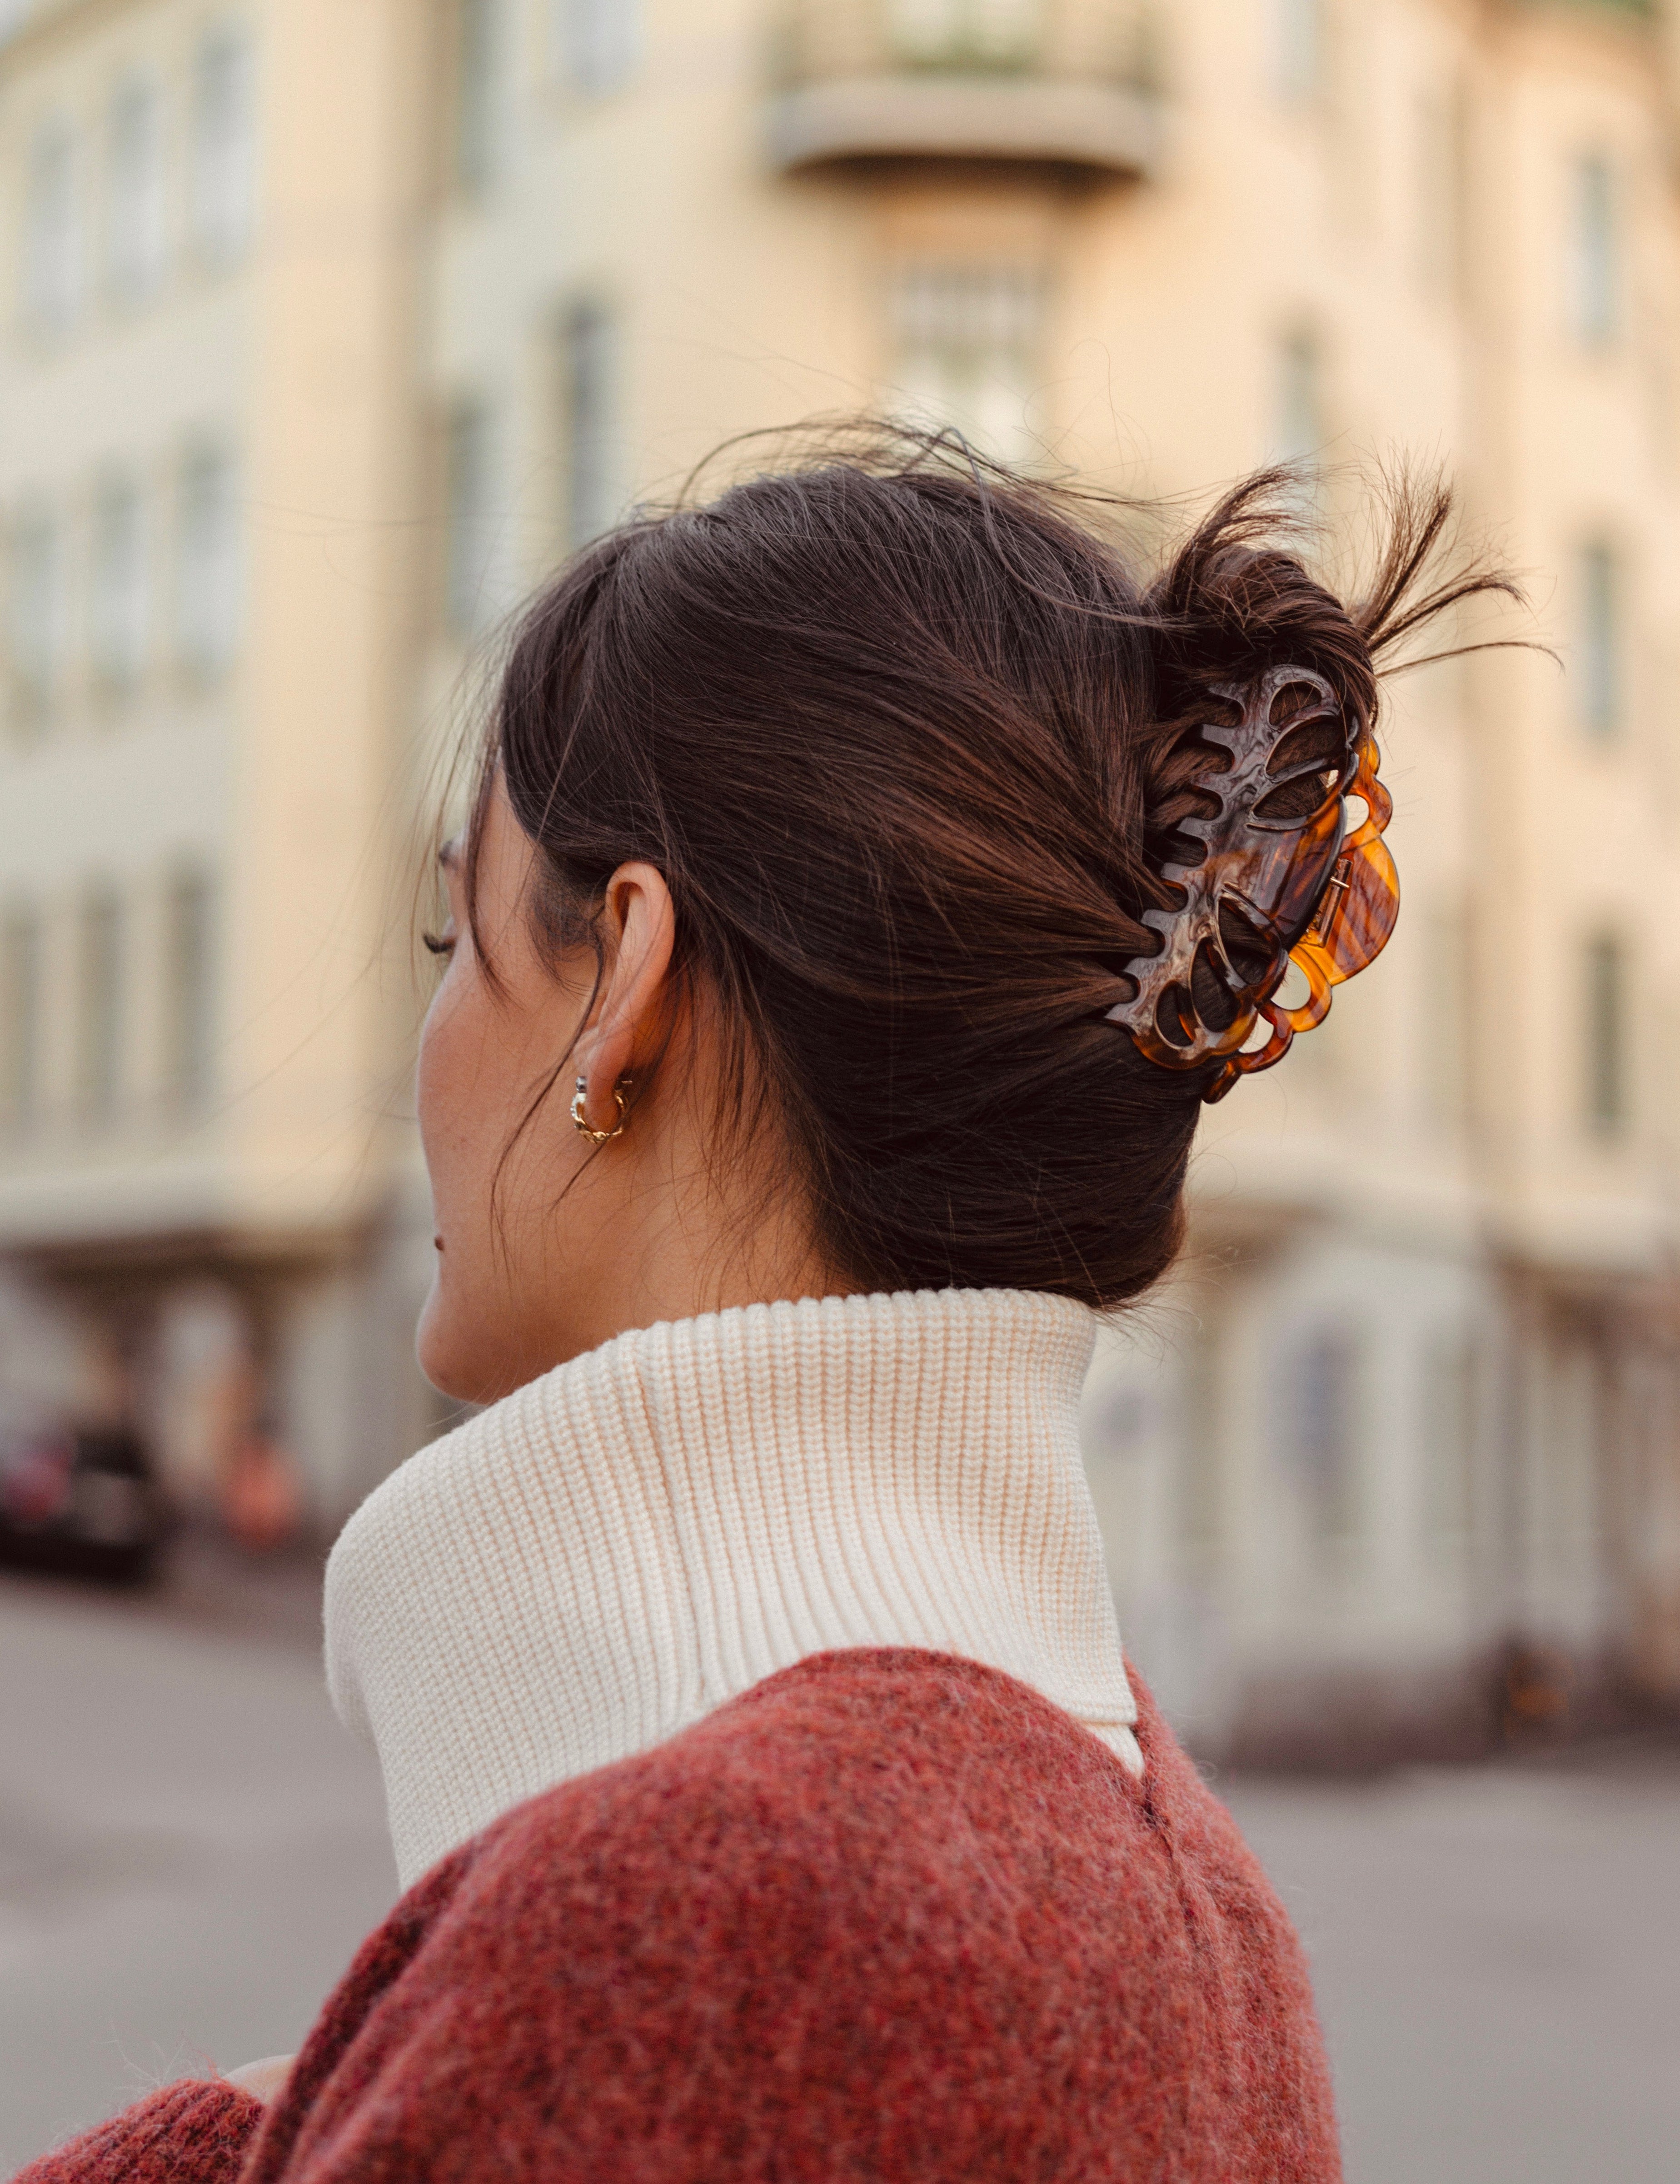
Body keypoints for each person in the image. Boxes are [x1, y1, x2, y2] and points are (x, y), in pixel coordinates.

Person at [19, 428, 1513, 2184]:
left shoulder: (704, 1930)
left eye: (457, 946)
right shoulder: (1183, 1890)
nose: (420, 1059)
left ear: (621, 991)